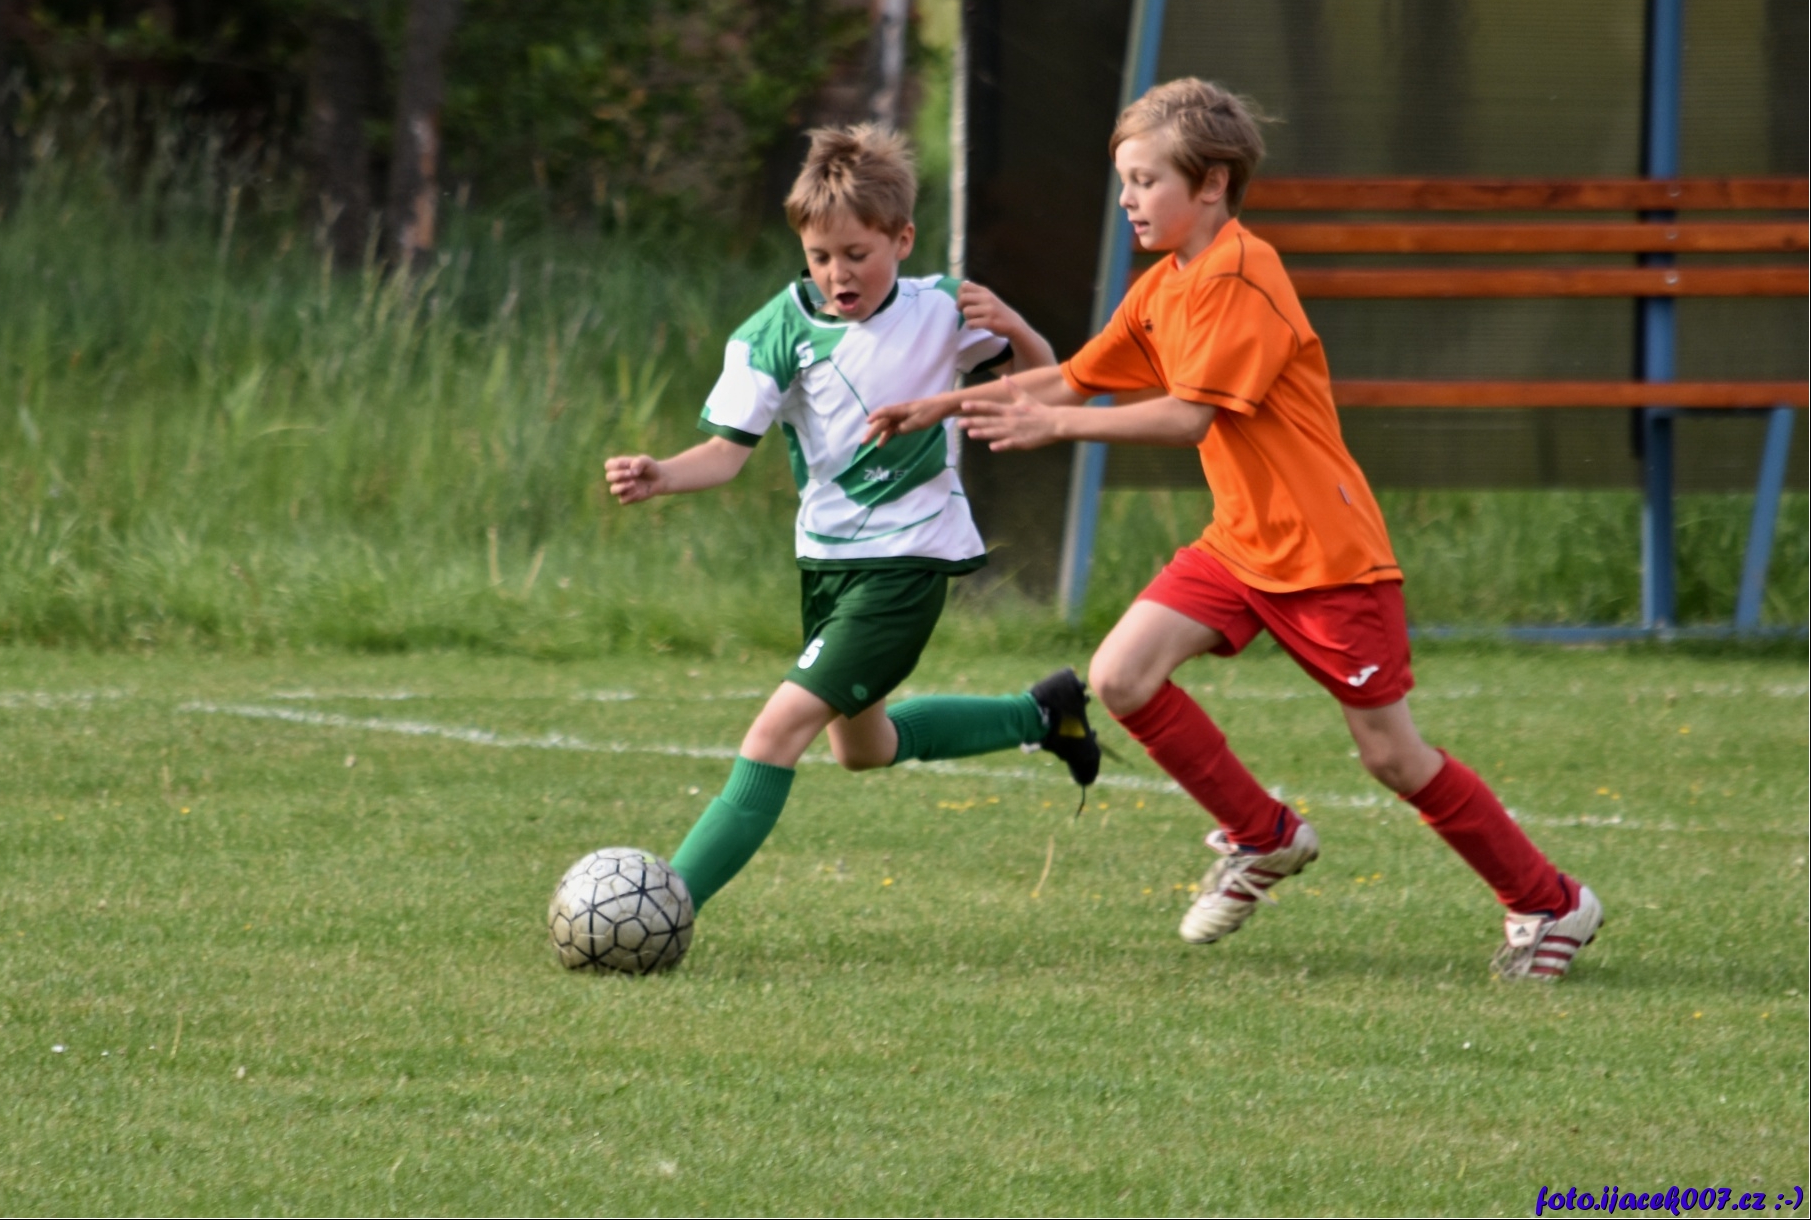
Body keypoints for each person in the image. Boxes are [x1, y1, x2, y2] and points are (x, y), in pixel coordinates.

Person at [866, 79, 1602, 981]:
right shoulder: (1164, 286)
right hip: (1241, 544)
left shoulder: (1246, 276)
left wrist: (1056, 427)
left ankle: (1550, 901)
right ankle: (1263, 836)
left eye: (1146, 181)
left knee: (1391, 756)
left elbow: (1187, 417)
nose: (1129, 199)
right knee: (1121, 675)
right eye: (1125, 181)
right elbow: (1072, 378)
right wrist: (940, 404)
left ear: (1211, 183)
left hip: (1327, 556)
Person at [604, 123, 1101, 915]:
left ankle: (663, 905)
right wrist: (663, 474)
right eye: (820, 256)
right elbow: (726, 454)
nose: (839, 273)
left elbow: (1052, 392)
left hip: (909, 562)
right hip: (827, 565)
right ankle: (1044, 713)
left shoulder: (942, 309)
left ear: (901, 240)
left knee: (775, 734)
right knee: (864, 748)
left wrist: (1020, 330)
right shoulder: (774, 332)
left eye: (857, 254)